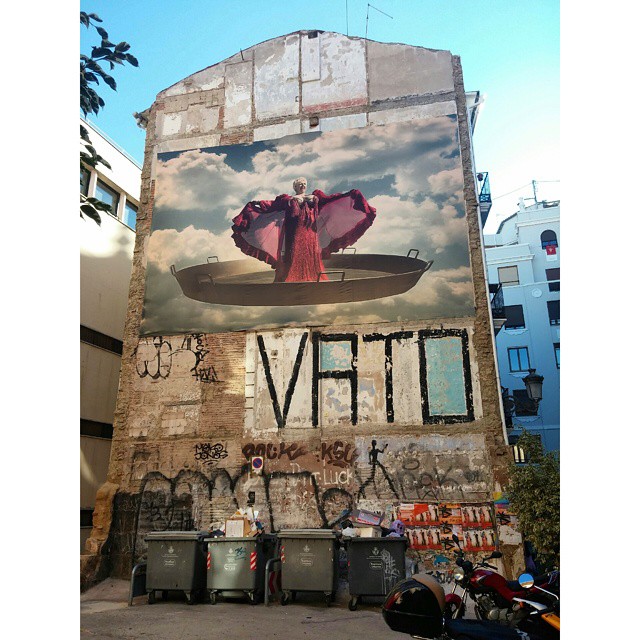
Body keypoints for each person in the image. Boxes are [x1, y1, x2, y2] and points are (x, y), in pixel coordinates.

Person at [231, 177, 376, 282]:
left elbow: (331, 199)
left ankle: (312, 274)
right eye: (300, 184)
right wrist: (257, 204)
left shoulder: (314, 196)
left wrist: (350, 195)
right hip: (295, 229)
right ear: (295, 187)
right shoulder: (287, 199)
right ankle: (292, 274)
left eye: (304, 184)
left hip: (310, 230)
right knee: (294, 250)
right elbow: (272, 205)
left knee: (310, 250)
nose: (303, 186)